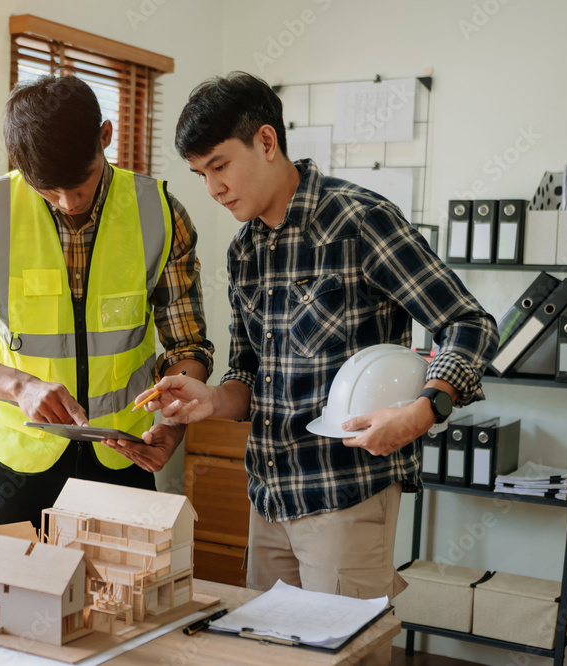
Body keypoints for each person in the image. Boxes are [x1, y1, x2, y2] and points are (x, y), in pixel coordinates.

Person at [114, 72, 497, 665]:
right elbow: (247, 374)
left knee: (348, 658)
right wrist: (212, 400)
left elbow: (469, 324)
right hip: (269, 499)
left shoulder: (359, 221)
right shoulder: (244, 251)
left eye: (220, 165)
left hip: (344, 497)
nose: (213, 188)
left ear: (266, 141)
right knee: (268, 658)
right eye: (201, 174)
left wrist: (424, 411)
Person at [0, 74, 213, 530]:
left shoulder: (160, 213)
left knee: (129, 602)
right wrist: (20, 388)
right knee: (3, 598)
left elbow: (189, 349)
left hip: (125, 459)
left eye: (80, 183)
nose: (68, 201)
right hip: (16, 467)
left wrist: (172, 426)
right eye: (48, 190)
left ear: (106, 137)